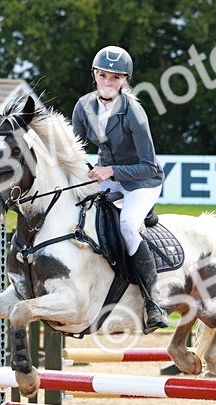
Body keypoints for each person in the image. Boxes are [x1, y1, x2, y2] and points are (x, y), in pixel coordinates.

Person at [71, 46, 168, 333]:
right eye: (103, 76)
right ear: (94, 76)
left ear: (125, 81)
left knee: (127, 225)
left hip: (142, 181)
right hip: (107, 177)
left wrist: (110, 171)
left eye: (115, 78)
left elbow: (148, 165)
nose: (108, 82)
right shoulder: (83, 106)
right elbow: (75, 151)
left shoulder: (134, 113)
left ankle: (153, 302)